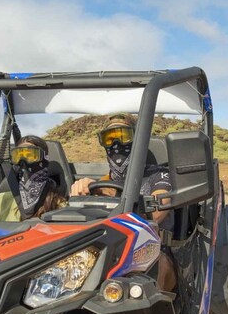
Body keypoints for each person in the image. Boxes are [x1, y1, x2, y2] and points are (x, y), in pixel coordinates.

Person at [70, 114, 176, 291]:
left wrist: (110, 193)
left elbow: (157, 212)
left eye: (123, 135)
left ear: (137, 139)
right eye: (109, 138)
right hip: (108, 252)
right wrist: (82, 190)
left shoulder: (159, 175)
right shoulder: (99, 183)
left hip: (153, 251)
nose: (116, 144)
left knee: (157, 263)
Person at [0, 135, 67, 221]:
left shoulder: (58, 204)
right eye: (18, 155)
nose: (23, 161)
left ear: (44, 158)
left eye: (31, 155)